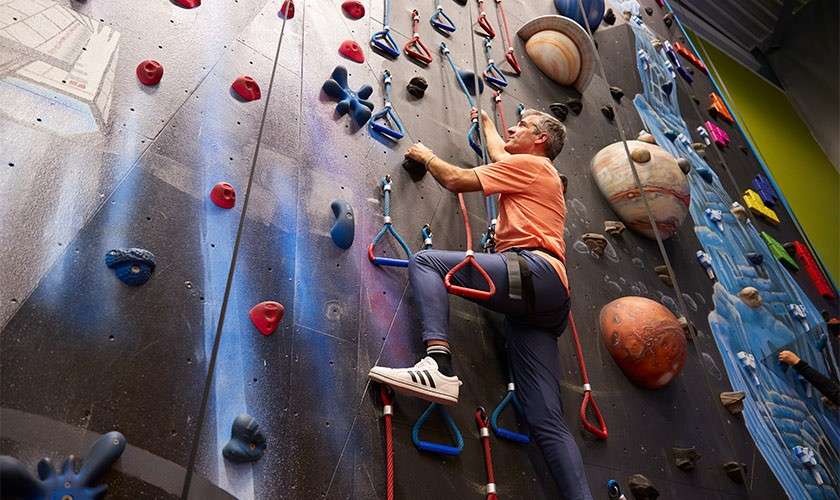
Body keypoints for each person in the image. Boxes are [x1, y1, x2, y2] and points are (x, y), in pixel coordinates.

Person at [368, 109, 593, 499]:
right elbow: (500, 152)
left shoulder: (533, 167)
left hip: (533, 271)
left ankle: (438, 365)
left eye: (522, 126)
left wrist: (426, 155)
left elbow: (456, 180)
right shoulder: (535, 170)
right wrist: (486, 121)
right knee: (545, 420)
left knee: (427, 263)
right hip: (546, 300)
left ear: (540, 140)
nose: (512, 129)